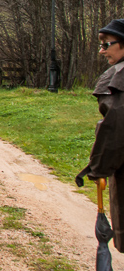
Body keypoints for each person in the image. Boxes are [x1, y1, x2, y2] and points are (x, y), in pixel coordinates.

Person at [76, 19, 124, 252]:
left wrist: (99, 168)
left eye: (107, 45)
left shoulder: (121, 77)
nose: (102, 51)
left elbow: (116, 128)